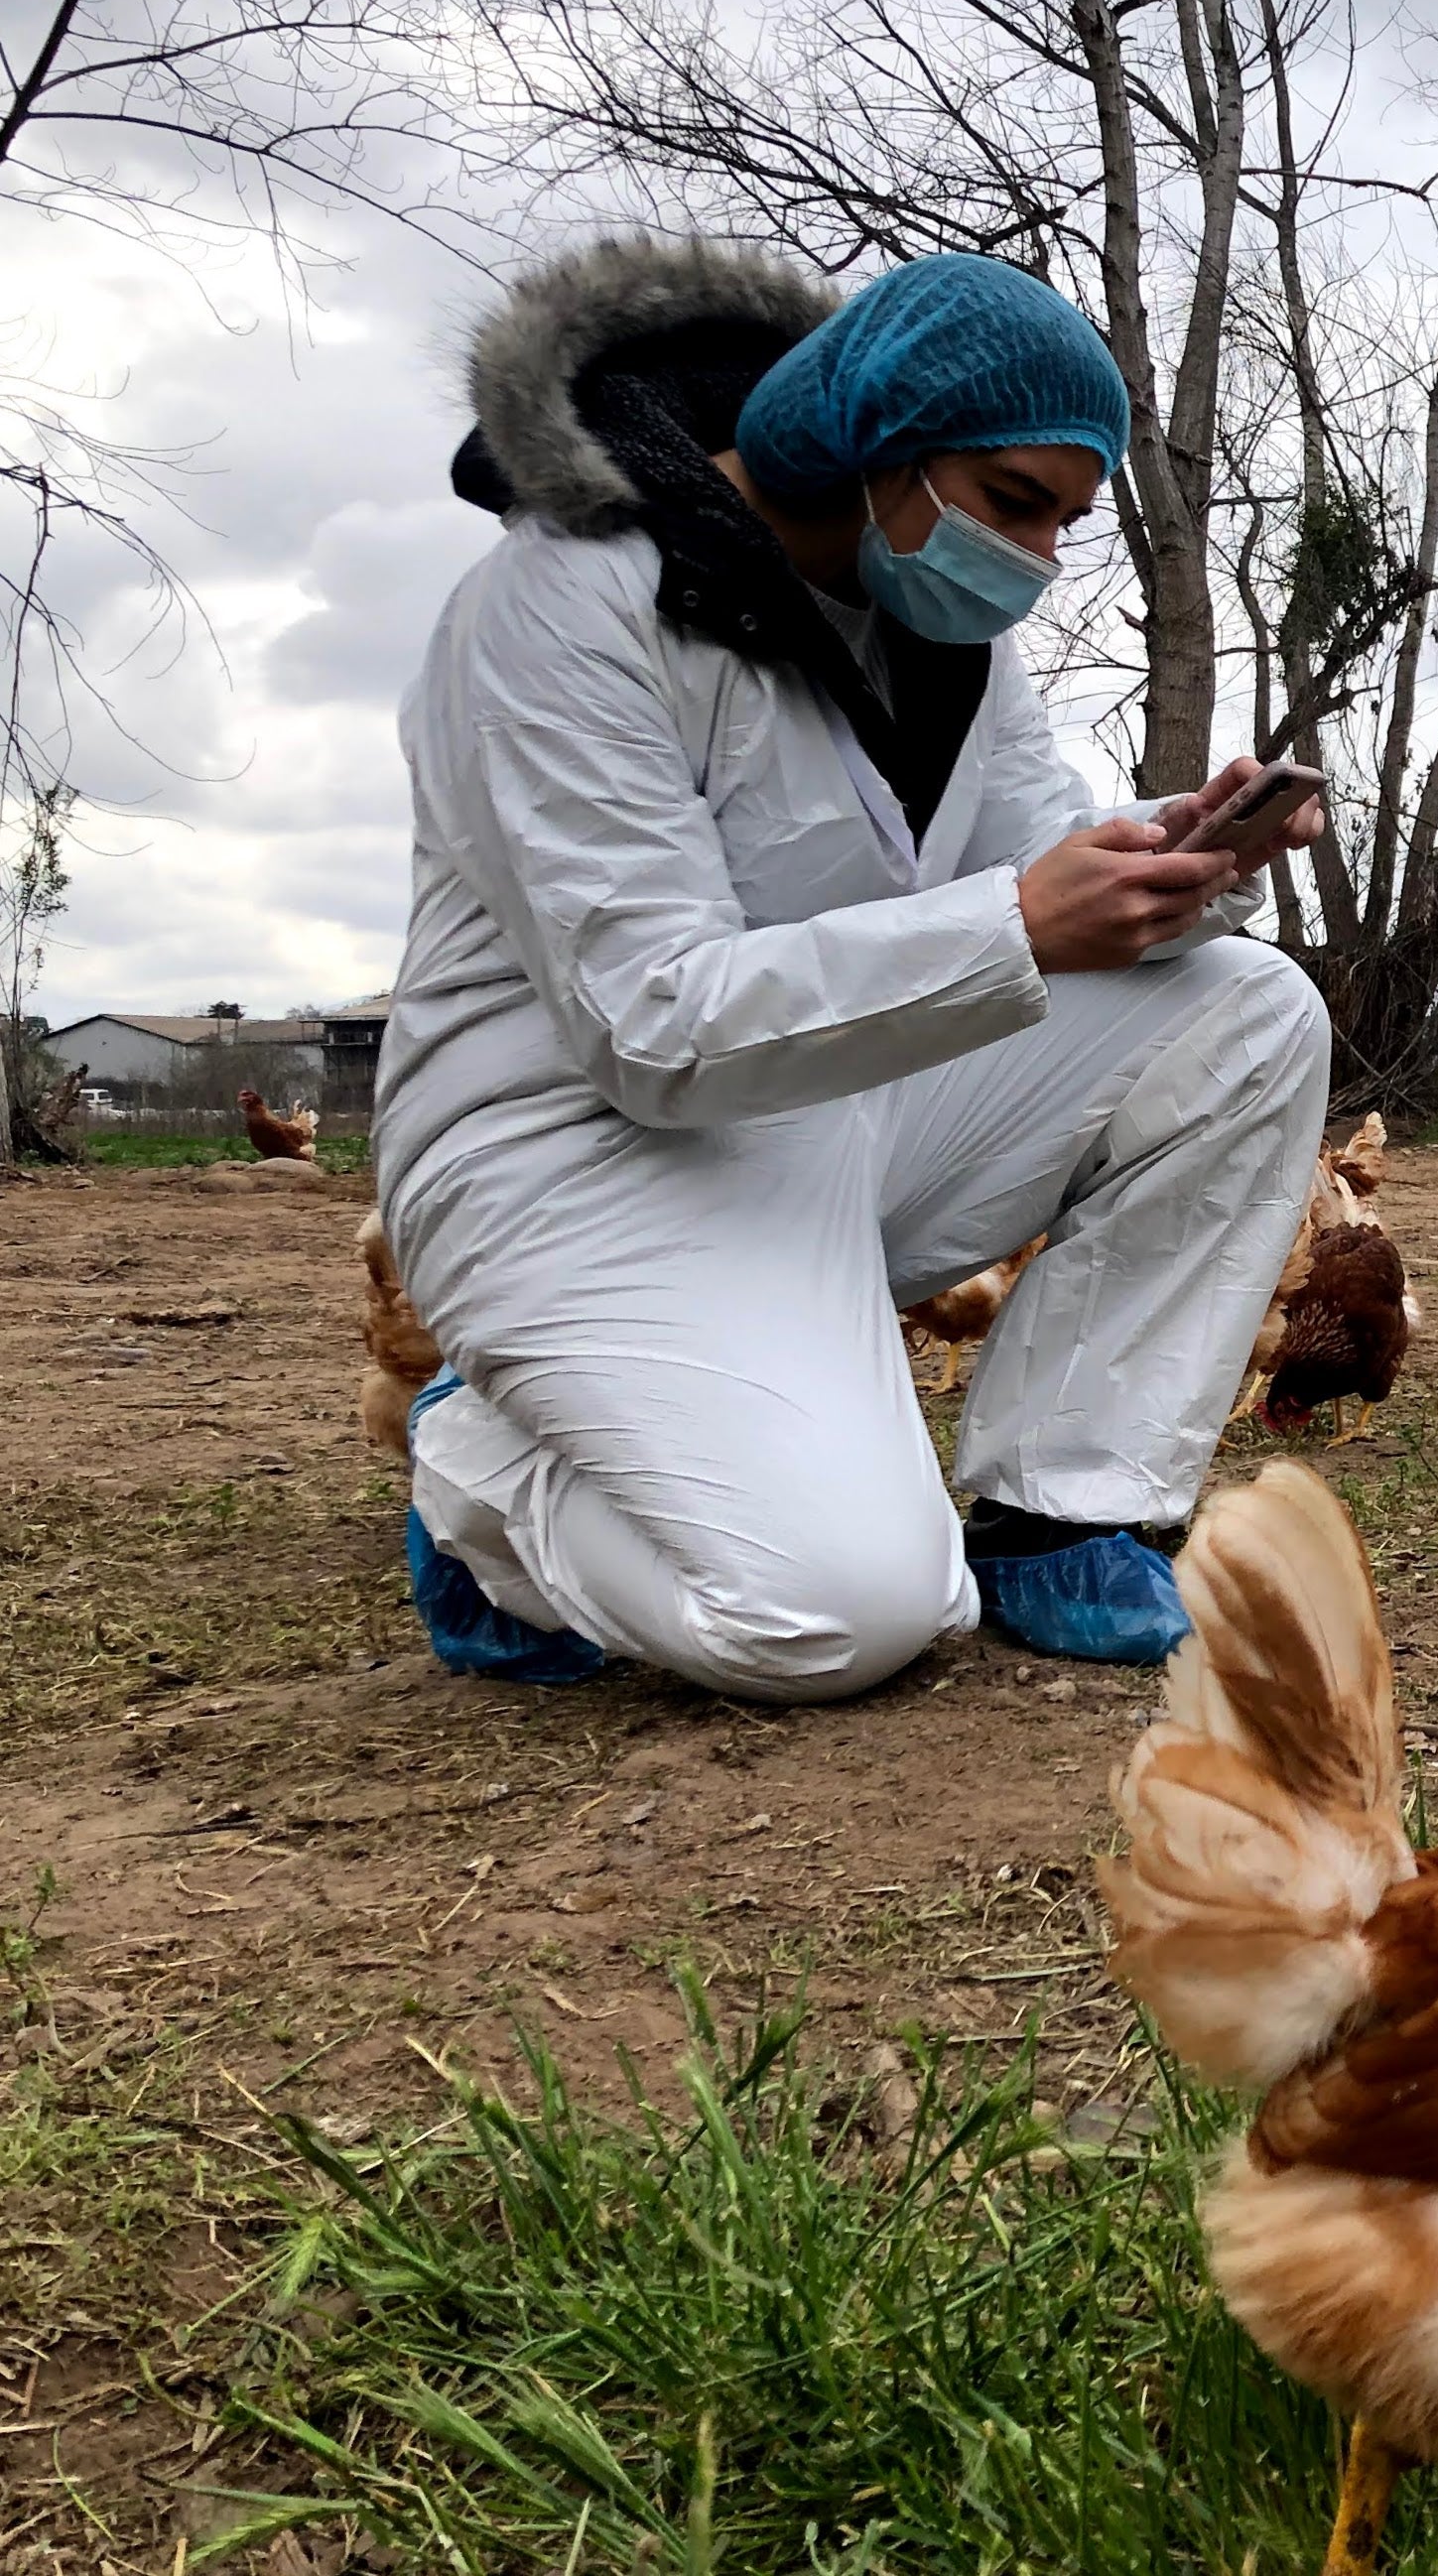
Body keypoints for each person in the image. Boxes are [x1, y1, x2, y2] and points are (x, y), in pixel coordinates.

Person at [374, 236, 1334, 1705]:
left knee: (1246, 1013)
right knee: (837, 1614)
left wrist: (1178, 862)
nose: (1033, 560)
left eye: (1064, 525)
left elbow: (1026, 864)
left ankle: (1066, 1508)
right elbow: (649, 1023)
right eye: (1014, 503)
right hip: (566, 1156)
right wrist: (1019, 922)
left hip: (821, 1116)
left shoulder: (939, 642)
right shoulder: (567, 603)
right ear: (875, 443)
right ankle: (489, 1475)